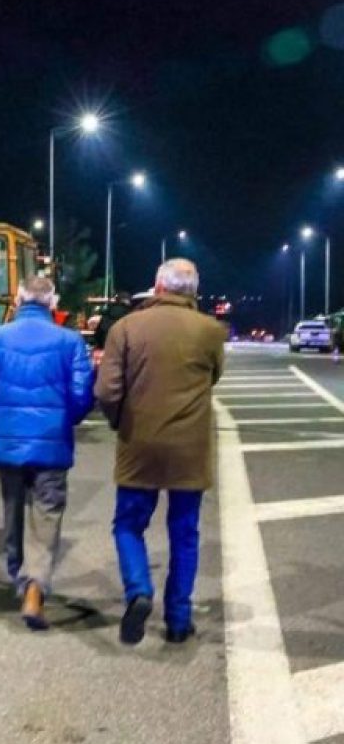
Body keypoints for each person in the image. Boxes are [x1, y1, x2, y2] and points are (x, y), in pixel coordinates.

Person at [94, 258, 225, 645]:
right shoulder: (210, 331)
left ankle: (139, 590)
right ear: (194, 291)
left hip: (140, 444)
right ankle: (179, 621)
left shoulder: (126, 328)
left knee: (129, 525)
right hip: (191, 448)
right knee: (184, 533)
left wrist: (120, 421)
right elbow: (214, 376)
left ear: (158, 285)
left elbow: (106, 391)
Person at [0, 275, 95, 629]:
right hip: (52, 441)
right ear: (52, 303)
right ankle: (35, 584)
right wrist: (69, 417)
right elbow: (84, 391)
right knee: (47, 511)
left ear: (19, 300)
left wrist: (0, 413)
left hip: (8, 440)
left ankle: (17, 573)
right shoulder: (69, 341)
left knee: (13, 509)